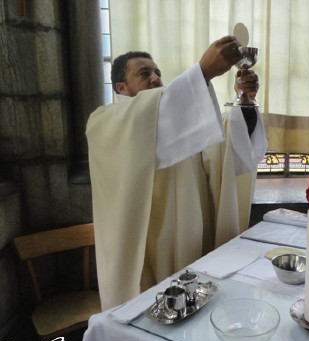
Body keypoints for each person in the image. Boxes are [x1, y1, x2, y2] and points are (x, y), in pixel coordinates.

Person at [86, 35, 267, 310]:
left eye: (158, 72)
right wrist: (203, 71)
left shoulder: (177, 120)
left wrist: (244, 103)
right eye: (144, 73)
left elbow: (219, 150)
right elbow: (144, 126)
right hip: (146, 252)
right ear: (121, 87)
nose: (155, 78)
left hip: (193, 244)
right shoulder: (104, 122)